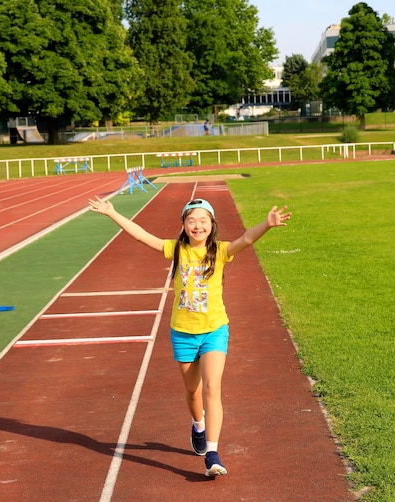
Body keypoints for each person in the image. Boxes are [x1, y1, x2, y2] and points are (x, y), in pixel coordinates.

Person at [87, 195, 291, 477]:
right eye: (192, 221)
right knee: (193, 391)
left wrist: (266, 225)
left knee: (212, 388)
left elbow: (245, 240)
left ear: (212, 224)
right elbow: (142, 236)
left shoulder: (220, 251)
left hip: (214, 330)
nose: (198, 226)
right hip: (182, 332)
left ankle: (212, 452)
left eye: (203, 221)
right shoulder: (176, 250)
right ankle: (198, 425)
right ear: (183, 225)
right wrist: (113, 213)